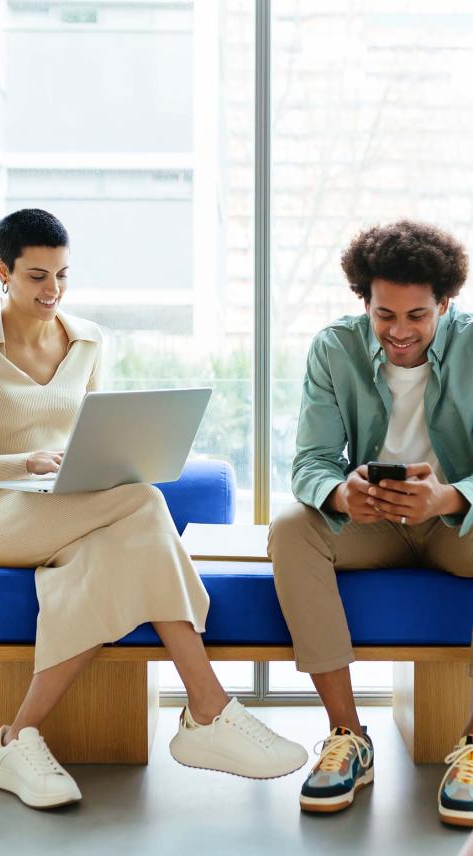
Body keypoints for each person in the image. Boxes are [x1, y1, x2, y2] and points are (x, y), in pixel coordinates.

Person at [0, 208, 308, 810]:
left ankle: (17, 737)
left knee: (119, 538)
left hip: (62, 506)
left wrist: (107, 459)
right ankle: (208, 709)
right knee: (143, 503)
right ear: (1, 271)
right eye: (35, 276)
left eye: (62, 274)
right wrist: (19, 463)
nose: (52, 290)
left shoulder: (87, 340)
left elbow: (95, 431)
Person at [268, 220, 473, 826]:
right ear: (365, 302)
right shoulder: (335, 348)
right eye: (386, 314)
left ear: (444, 303)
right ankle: (348, 736)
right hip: (373, 525)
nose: (400, 332)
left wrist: (450, 498)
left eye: (417, 315)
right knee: (289, 528)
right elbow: (310, 462)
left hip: (454, 525)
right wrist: (339, 494)